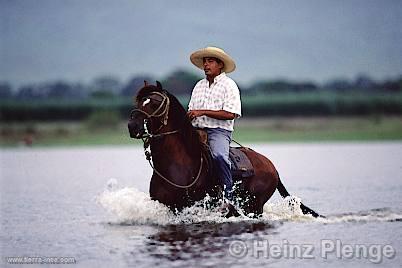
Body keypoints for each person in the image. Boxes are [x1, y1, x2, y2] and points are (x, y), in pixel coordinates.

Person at [187, 46, 242, 203]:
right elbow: (192, 110)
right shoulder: (198, 85)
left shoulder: (229, 85)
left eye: (210, 61)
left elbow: (231, 114)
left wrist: (202, 112)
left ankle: (228, 197)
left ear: (220, 65)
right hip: (196, 130)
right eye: (204, 62)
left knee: (218, 157)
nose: (206, 65)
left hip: (219, 131)